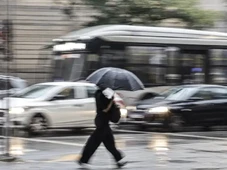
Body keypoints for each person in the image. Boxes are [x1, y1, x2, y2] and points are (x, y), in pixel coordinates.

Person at [78, 85, 127, 168]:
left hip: (102, 121)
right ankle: (83, 160)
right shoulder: (103, 95)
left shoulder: (98, 92)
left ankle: (118, 160)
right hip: (102, 122)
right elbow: (105, 109)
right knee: (93, 143)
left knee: (109, 144)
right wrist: (112, 101)